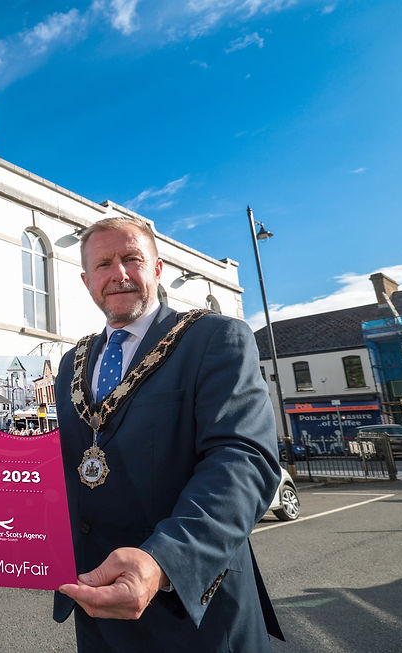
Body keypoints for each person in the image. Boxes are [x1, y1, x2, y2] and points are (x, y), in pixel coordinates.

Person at [52, 216, 284, 652]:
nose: (118, 274)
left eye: (131, 259)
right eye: (103, 265)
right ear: (87, 281)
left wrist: (164, 559)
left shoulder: (214, 337)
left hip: (195, 605)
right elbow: (51, 462)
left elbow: (243, 458)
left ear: (157, 270)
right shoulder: (71, 361)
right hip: (95, 602)